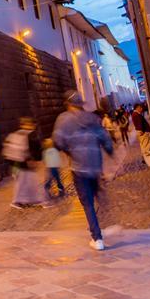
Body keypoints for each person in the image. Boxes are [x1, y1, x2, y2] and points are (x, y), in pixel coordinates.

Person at [54, 91, 114, 250]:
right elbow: (106, 140)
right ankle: (104, 225)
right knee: (98, 196)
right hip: (95, 165)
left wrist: (69, 148)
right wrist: (109, 151)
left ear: (67, 103)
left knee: (87, 203)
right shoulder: (92, 118)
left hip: (78, 167)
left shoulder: (64, 120)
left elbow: (58, 141)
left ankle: (97, 237)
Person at [2, 117, 45, 207]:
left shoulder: (14, 134)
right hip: (26, 162)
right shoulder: (30, 135)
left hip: (16, 162)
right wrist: (37, 159)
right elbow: (35, 149)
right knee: (27, 182)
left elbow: (7, 148)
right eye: (32, 124)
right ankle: (22, 200)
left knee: (23, 182)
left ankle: (28, 200)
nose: (33, 126)